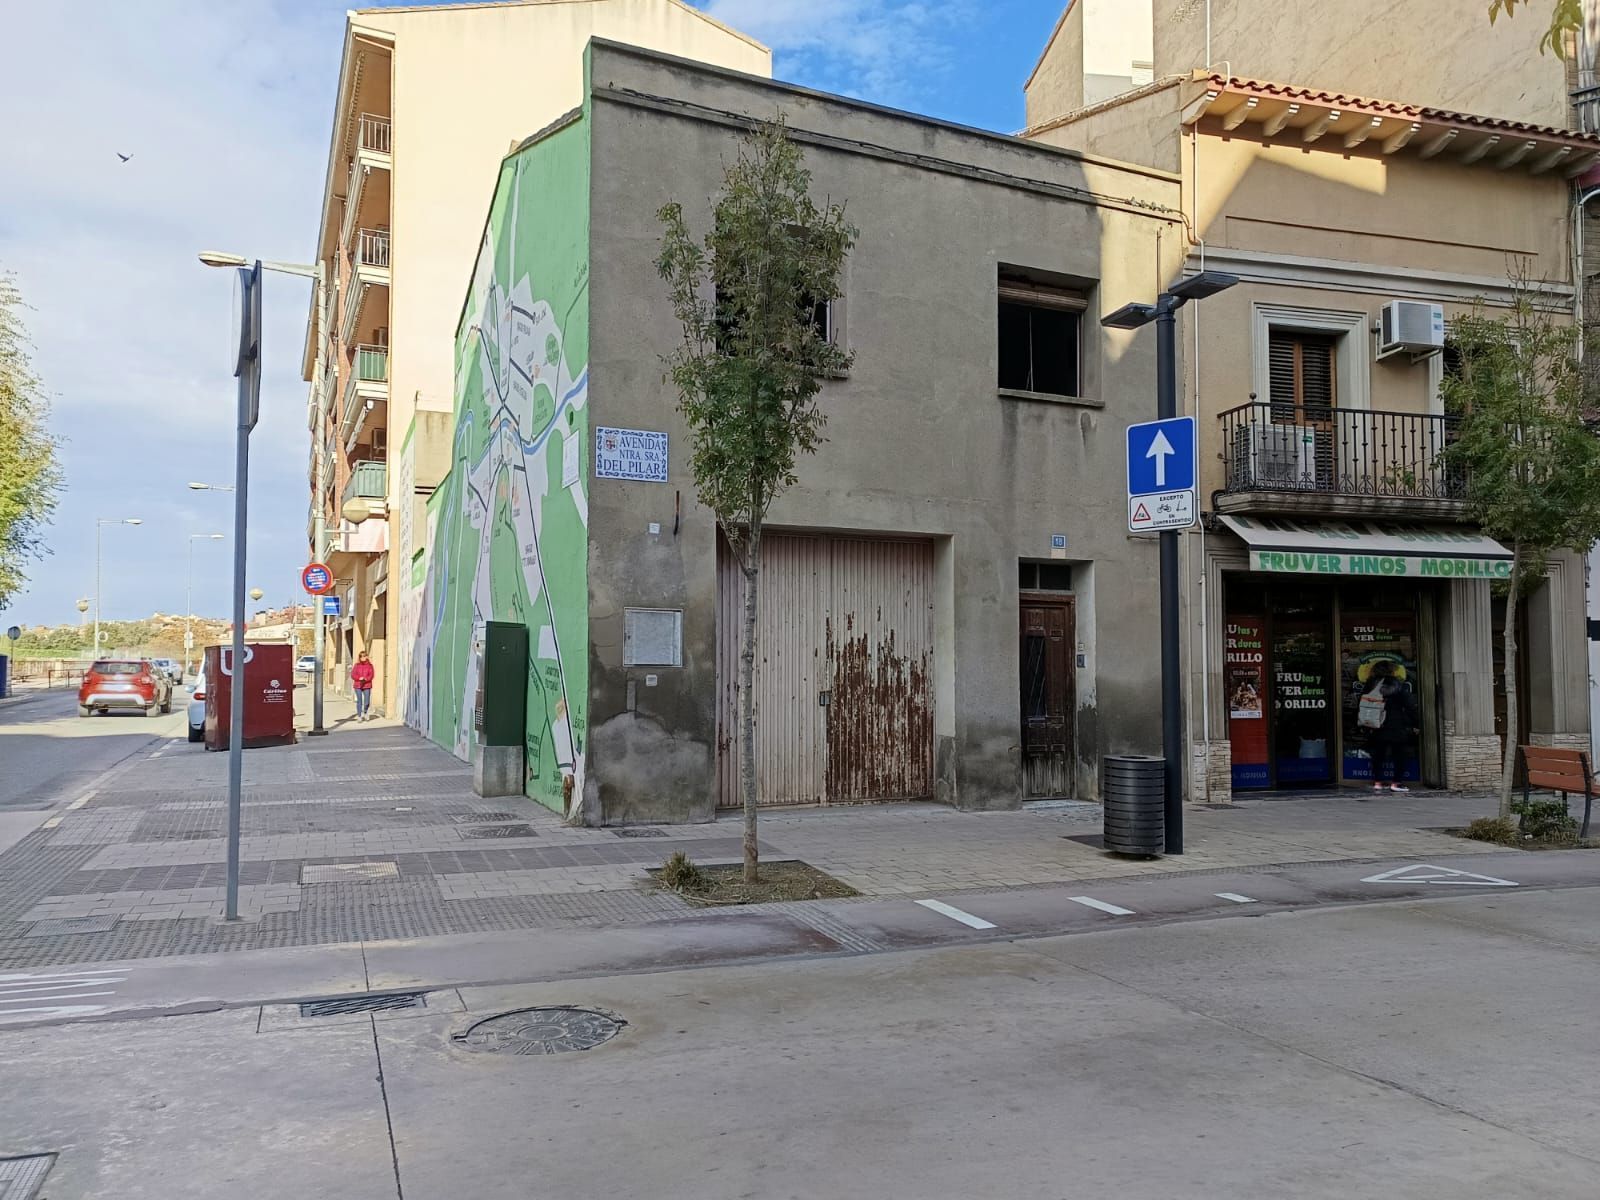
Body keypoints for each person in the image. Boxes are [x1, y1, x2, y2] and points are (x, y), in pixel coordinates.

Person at [1363, 662, 1419, 794]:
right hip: (1396, 725)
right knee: (1399, 755)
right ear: (1392, 672)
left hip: (1376, 724)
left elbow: (1362, 703)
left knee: (1378, 754)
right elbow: (1410, 706)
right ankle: (1396, 782)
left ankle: (1377, 782)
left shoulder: (1370, 685)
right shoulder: (1398, 685)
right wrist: (1416, 723)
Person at [350, 651, 375, 722]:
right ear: (359, 657)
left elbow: (372, 675)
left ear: (366, 657)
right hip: (358, 685)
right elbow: (353, 675)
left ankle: (365, 712)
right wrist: (359, 678)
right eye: (361, 656)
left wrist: (366, 679)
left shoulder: (370, 665)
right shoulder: (356, 665)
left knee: (367, 701)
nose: (362, 658)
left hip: (367, 685)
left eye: (364, 656)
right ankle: (359, 716)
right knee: (359, 701)